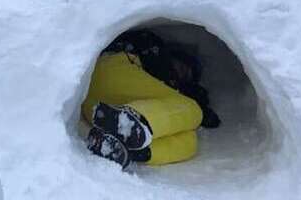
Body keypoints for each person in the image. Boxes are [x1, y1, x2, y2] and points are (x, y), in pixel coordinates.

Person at [82, 29, 220, 168]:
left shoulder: (157, 93)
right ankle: (131, 120)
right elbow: (160, 68)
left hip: (96, 107)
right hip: (111, 69)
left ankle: (129, 150)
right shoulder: (152, 45)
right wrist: (193, 98)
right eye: (182, 68)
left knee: (191, 142)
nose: (180, 74)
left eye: (186, 77)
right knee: (193, 109)